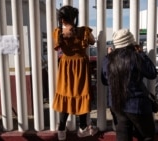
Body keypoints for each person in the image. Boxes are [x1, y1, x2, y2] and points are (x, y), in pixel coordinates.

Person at [101, 29, 157, 141]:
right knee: (147, 136)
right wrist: (141, 53)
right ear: (131, 43)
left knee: (123, 137)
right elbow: (152, 73)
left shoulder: (108, 59)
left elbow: (104, 81)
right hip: (137, 105)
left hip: (116, 105)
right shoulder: (136, 57)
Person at [52, 5, 98, 140]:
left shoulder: (58, 32)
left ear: (62, 19)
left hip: (66, 66)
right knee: (81, 93)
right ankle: (83, 127)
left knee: (66, 93)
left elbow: (56, 46)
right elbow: (93, 41)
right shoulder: (84, 31)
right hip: (81, 66)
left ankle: (61, 129)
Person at [101, 46, 118, 130]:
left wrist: (109, 56)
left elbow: (104, 80)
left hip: (113, 98)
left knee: (118, 123)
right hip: (129, 100)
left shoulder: (106, 60)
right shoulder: (133, 57)